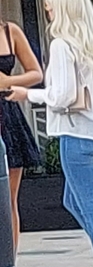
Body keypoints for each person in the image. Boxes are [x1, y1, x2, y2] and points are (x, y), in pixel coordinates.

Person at [1, 0, 93, 267]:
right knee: (73, 200)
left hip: (76, 134)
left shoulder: (61, 45)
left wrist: (28, 94)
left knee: (91, 205)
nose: (46, 9)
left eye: (50, 3)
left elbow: (62, 95)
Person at [0, 17, 39, 252]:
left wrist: (8, 81)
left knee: (9, 199)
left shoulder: (9, 31)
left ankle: (10, 265)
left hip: (7, 112)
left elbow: (35, 73)